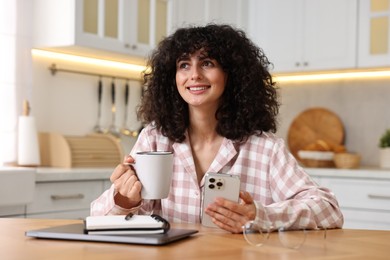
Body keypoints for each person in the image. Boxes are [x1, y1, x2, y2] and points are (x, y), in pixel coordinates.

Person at [90, 24, 343, 233]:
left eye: (207, 63)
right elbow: (98, 219)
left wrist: (260, 215)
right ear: (172, 77)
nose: (194, 75)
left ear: (231, 74)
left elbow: (328, 209)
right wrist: (125, 200)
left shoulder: (264, 148)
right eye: (184, 65)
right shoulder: (155, 139)